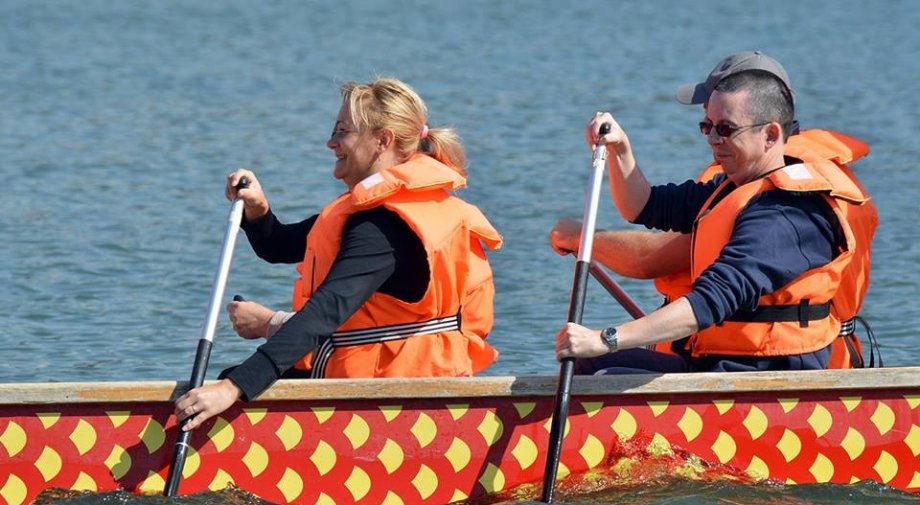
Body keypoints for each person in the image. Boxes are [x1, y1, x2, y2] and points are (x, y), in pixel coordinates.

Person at [175, 78, 503, 431]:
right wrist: (258, 208)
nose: (331, 142)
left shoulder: (383, 229)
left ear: (383, 140)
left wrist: (234, 387)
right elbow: (280, 246)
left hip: (395, 402)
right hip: (400, 381)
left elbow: (323, 313)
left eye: (343, 131)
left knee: (234, 386)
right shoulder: (378, 213)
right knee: (239, 380)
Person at [551, 52, 877, 371]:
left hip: (760, 378)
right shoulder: (736, 185)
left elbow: (709, 301)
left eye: (725, 129)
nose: (712, 139)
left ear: (771, 134)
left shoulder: (786, 215)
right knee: (585, 364)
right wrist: (621, 147)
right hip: (716, 360)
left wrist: (606, 338)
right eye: (706, 126)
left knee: (608, 372)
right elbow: (646, 205)